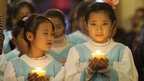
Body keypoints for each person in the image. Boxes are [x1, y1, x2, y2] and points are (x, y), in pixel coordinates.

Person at [64, 3, 138, 81]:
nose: (99, 29)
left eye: (104, 24)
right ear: (87, 26)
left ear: (112, 25)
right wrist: (88, 72)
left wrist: (109, 71)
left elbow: (131, 78)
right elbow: (69, 78)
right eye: (93, 24)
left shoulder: (123, 51)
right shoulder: (76, 51)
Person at [3, 14, 62, 81]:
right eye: (45, 33)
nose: (50, 38)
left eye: (52, 34)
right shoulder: (13, 67)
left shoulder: (57, 68)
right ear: (30, 36)